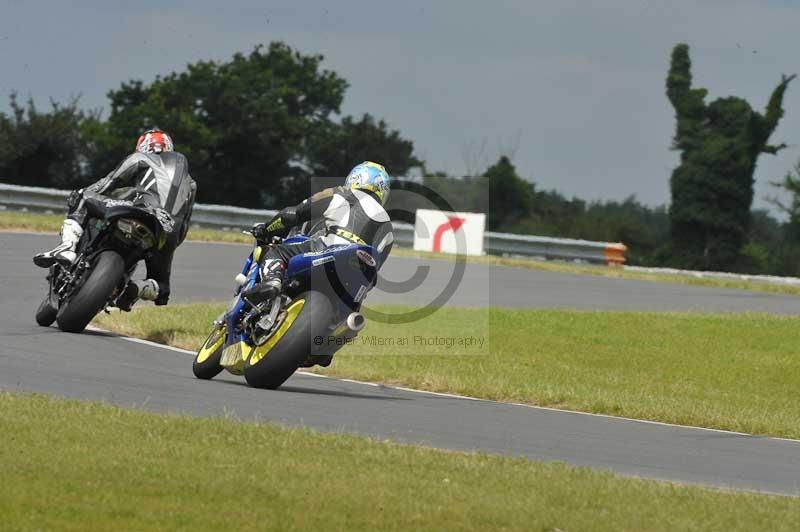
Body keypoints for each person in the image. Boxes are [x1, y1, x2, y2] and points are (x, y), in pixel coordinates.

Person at [33, 129, 196, 310]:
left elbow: (107, 184)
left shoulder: (140, 158)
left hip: (141, 211)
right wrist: (167, 246)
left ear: (142, 147)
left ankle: (67, 248)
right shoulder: (190, 183)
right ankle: (139, 287)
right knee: (162, 288)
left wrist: (81, 191)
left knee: (83, 198)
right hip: (167, 232)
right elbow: (184, 225)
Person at [244, 161, 394, 302]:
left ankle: (272, 281)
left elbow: (292, 215)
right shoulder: (388, 227)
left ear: (356, 178)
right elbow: (376, 268)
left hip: (329, 250)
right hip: (358, 277)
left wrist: (266, 229)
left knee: (272, 251)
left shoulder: (341, 194)